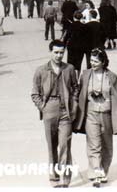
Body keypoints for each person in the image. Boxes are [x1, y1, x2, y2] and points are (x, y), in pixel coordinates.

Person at [31, 40, 79, 188]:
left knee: (65, 144)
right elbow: (35, 93)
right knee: (52, 146)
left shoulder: (69, 69)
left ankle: (65, 177)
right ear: (50, 52)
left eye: (61, 52)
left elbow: (75, 87)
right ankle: (54, 176)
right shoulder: (41, 70)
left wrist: (74, 103)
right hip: (49, 109)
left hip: (65, 110)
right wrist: (43, 107)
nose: (59, 55)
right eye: (56, 52)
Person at [74, 48, 117, 187]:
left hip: (107, 114)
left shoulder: (112, 77)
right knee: (94, 144)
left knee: (107, 146)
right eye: (91, 61)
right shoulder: (85, 75)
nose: (93, 63)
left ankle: (104, 171)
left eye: (96, 61)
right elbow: (79, 93)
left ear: (103, 62)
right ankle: (96, 173)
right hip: (91, 114)